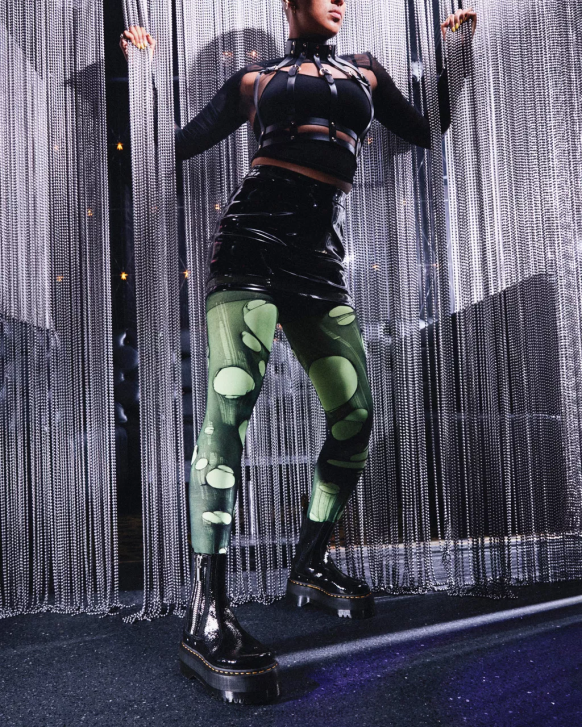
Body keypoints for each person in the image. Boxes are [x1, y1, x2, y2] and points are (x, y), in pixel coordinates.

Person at [120, 0, 477, 705]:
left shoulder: (367, 74)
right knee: (229, 408)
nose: (339, 0)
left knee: (355, 415)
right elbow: (175, 144)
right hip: (249, 247)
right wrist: (147, 74)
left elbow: (425, 128)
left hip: (319, 262)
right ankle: (208, 612)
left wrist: (455, 59)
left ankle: (309, 563)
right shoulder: (255, 80)